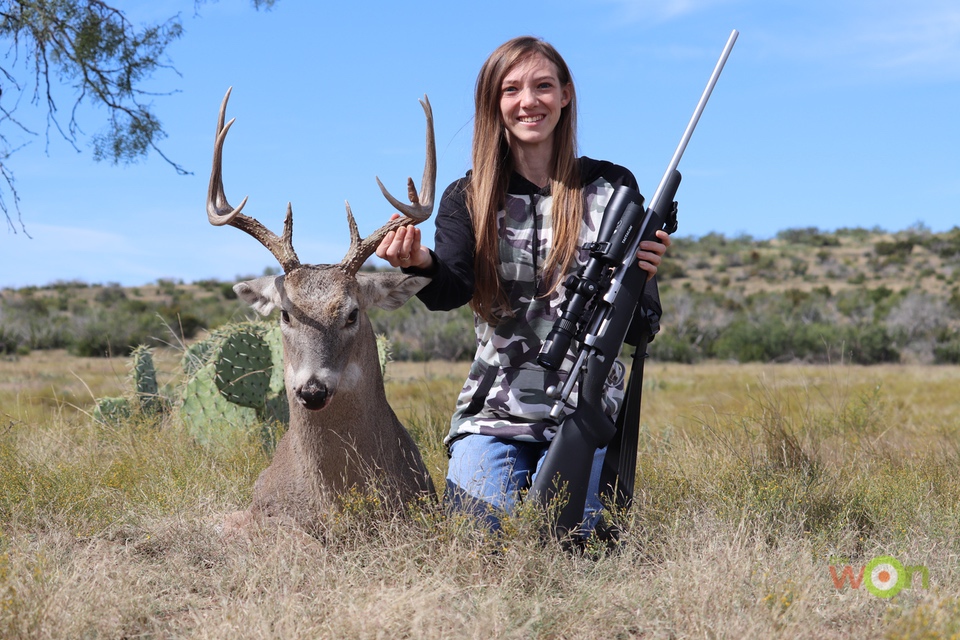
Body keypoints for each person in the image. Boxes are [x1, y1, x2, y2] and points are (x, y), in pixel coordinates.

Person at [376, 36, 670, 535]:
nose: (528, 101)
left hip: (588, 409)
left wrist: (642, 277)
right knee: (480, 543)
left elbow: (642, 327)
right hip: (493, 413)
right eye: (511, 89)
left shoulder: (613, 188)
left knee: (580, 547)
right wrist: (419, 262)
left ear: (566, 95)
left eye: (542, 86)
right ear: (494, 103)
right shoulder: (465, 196)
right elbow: (450, 288)